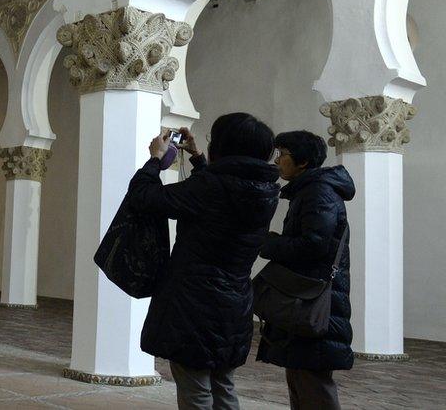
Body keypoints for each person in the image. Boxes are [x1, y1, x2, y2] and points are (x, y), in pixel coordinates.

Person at [125, 113, 281, 410]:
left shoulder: (210, 189)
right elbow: (221, 194)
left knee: (196, 389)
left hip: (193, 305)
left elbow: (144, 197)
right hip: (234, 304)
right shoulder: (265, 192)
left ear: (222, 147)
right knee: (223, 385)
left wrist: (156, 160)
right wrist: (198, 159)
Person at [257, 131, 354, 410]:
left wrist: (271, 244)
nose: (277, 161)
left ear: (302, 161)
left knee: (313, 384)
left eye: (283, 154)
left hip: (312, 300)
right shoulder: (310, 191)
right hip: (306, 297)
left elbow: (314, 245)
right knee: (302, 378)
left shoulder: (318, 193)